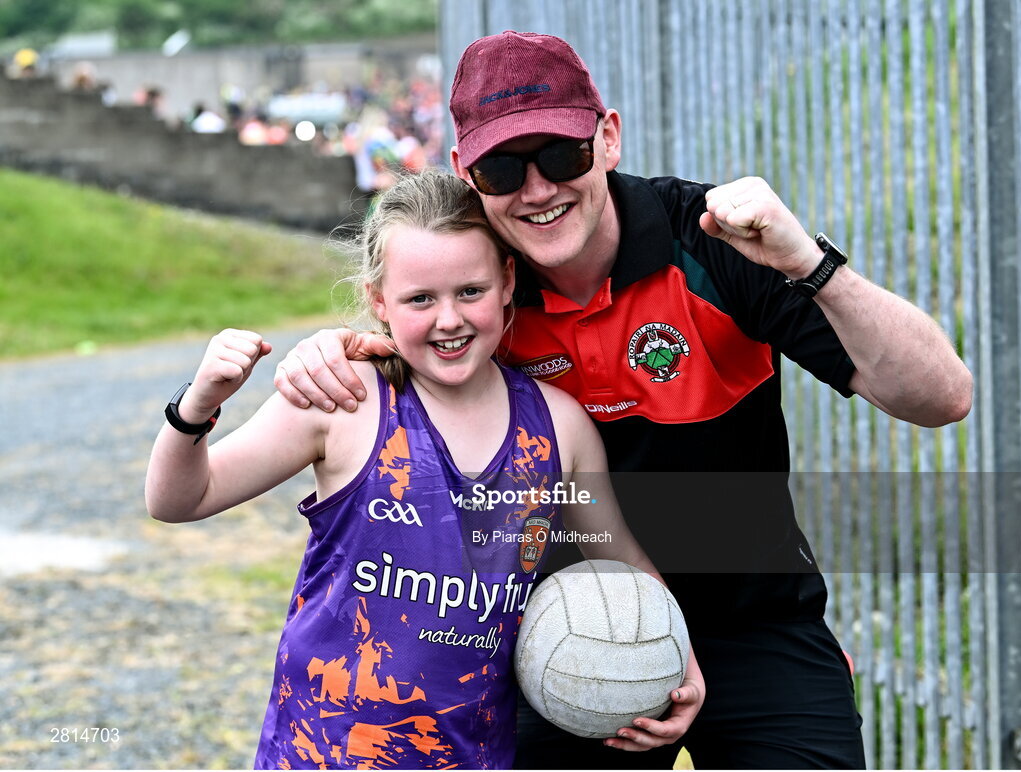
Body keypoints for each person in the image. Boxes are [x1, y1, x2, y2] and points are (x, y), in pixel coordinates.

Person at [273, 31, 972, 770]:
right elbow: (392, 334)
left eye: (561, 155)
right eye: (503, 166)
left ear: (608, 138)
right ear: (465, 172)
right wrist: (326, 348)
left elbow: (941, 398)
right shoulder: (480, 292)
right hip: (559, 630)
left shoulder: (717, 242)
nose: (537, 189)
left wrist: (809, 263)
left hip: (754, 621)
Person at [145, 170, 703, 770]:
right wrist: (197, 406)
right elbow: (180, 499)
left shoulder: (559, 427)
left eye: (470, 291)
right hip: (321, 752)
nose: (449, 320)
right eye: (419, 299)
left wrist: (679, 656)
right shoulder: (345, 400)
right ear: (379, 300)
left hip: (474, 756)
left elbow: (616, 558)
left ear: (508, 281)